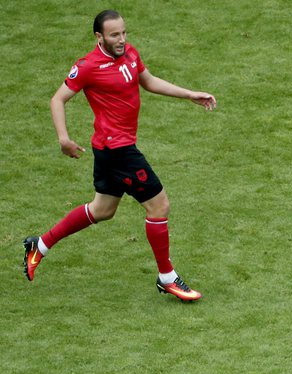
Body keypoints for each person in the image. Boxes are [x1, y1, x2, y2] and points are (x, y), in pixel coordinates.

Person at [22, 9, 216, 302]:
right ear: (99, 36)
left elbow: (148, 81)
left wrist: (189, 94)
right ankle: (167, 277)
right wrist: (63, 138)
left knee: (102, 210)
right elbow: (57, 99)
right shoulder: (88, 66)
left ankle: (41, 245)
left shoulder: (130, 53)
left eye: (124, 33)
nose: (122, 39)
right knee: (159, 206)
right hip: (117, 150)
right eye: (115, 35)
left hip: (111, 150)